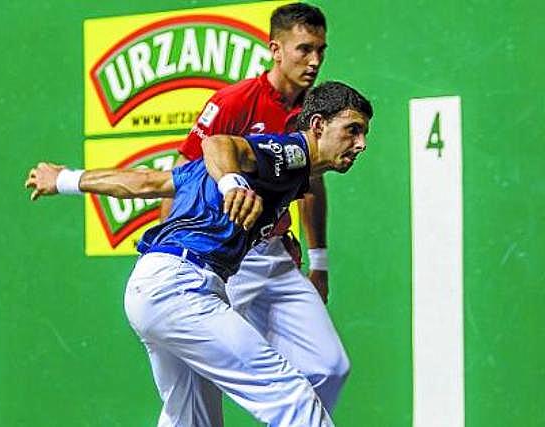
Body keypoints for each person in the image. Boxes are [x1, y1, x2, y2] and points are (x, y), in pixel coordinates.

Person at [26, 81, 373, 427]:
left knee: (192, 421)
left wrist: (64, 179)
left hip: (152, 287)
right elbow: (217, 142)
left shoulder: (279, 174)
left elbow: (146, 182)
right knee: (292, 398)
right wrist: (232, 183)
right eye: (352, 130)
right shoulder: (292, 154)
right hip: (182, 287)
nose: (361, 144)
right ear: (317, 126)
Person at [160, 2, 349, 418]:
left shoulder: (315, 112)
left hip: (278, 256)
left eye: (321, 50)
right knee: (197, 386)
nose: (314, 61)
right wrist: (174, 246)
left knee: (329, 367)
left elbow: (312, 184)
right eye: (304, 49)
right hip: (228, 257)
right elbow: (183, 173)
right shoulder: (234, 102)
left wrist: (318, 261)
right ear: (275, 49)